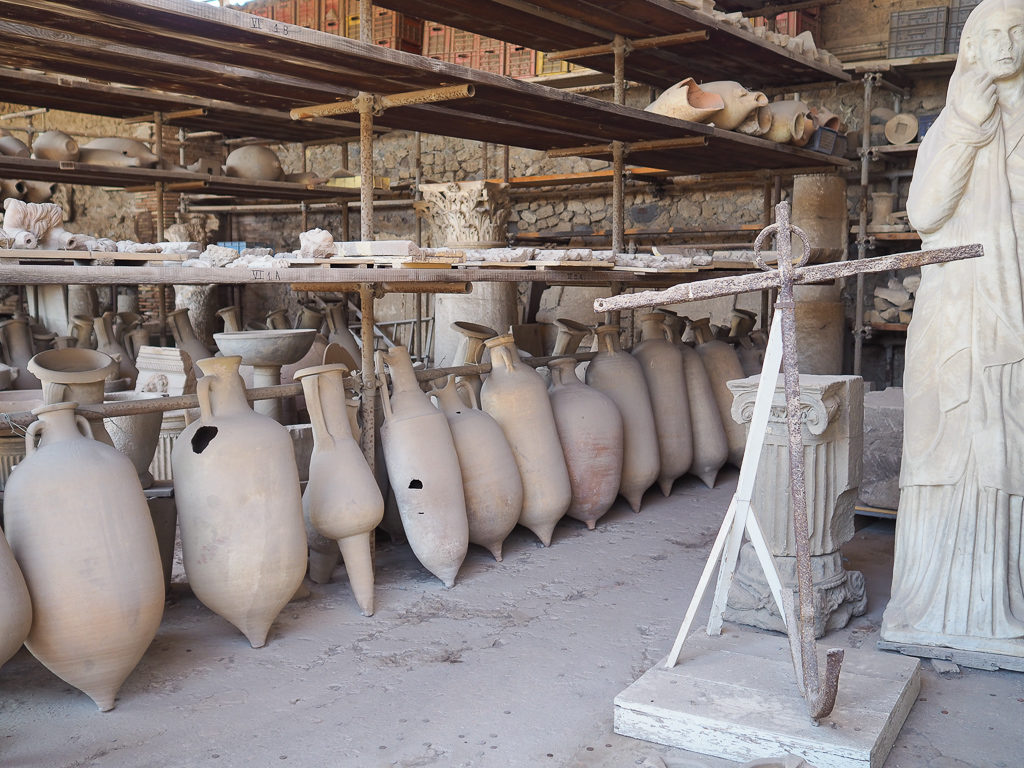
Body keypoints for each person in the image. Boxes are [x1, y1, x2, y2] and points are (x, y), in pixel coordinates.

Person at [881, 0, 1024, 658]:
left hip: (1011, 313)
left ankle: (996, 604)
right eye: (992, 33)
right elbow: (925, 212)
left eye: (1018, 32)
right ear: (969, 48)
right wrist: (969, 127)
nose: (1006, 44)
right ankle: (929, 601)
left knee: (1003, 452)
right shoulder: (952, 123)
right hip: (954, 307)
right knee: (944, 444)